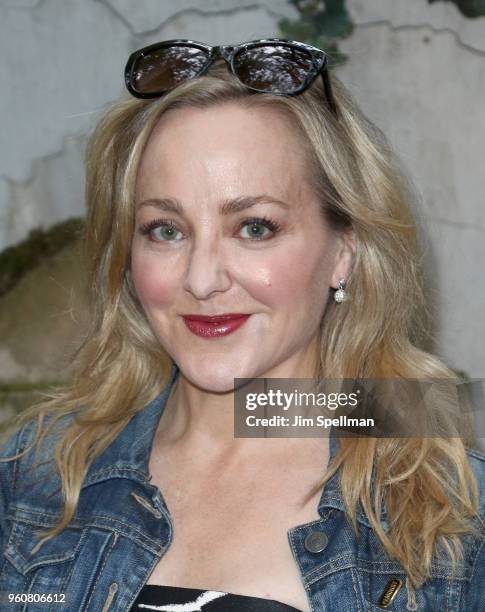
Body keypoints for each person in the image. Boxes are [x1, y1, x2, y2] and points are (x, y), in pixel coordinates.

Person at [0, 38, 484, 612]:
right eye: (165, 230)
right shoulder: (34, 473)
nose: (202, 280)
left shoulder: (450, 515)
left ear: (342, 252)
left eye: (255, 228)